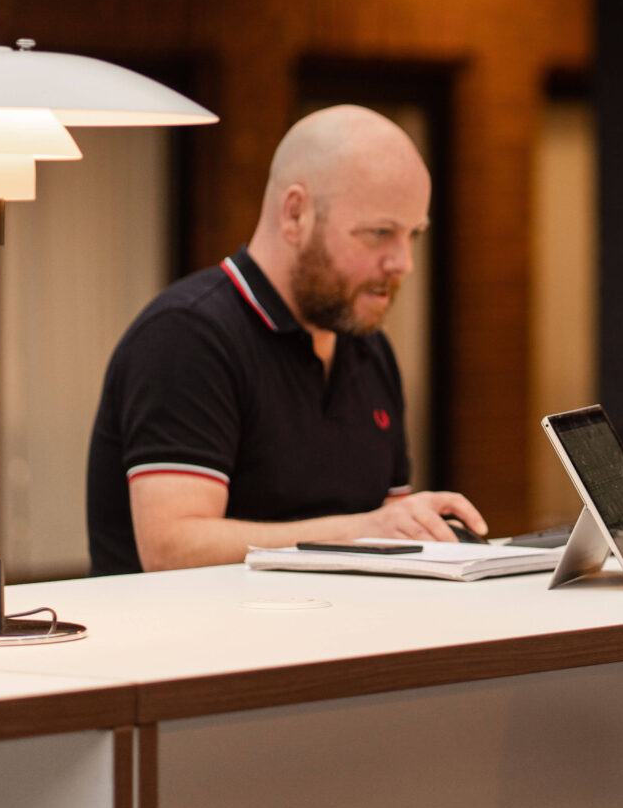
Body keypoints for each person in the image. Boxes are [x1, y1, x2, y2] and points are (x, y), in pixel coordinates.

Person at [85, 104, 484, 575]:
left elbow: (391, 531)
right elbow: (172, 548)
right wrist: (364, 530)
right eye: (379, 233)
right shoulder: (187, 336)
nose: (403, 263)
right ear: (296, 214)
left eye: (413, 235)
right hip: (200, 624)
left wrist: (422, 530)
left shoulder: (368, 347)